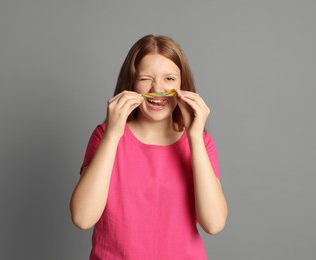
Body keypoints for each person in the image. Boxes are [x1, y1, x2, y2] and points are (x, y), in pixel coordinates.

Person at [70, 34, 228, 259]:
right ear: (131, 83)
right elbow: (82, 218)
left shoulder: (201, 143)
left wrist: (194, 138)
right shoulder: (105, 136)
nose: (157, 89)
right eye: (146, 78)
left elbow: (214, 223)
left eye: (169, 79)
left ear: (182, 84)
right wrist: (113, 134)